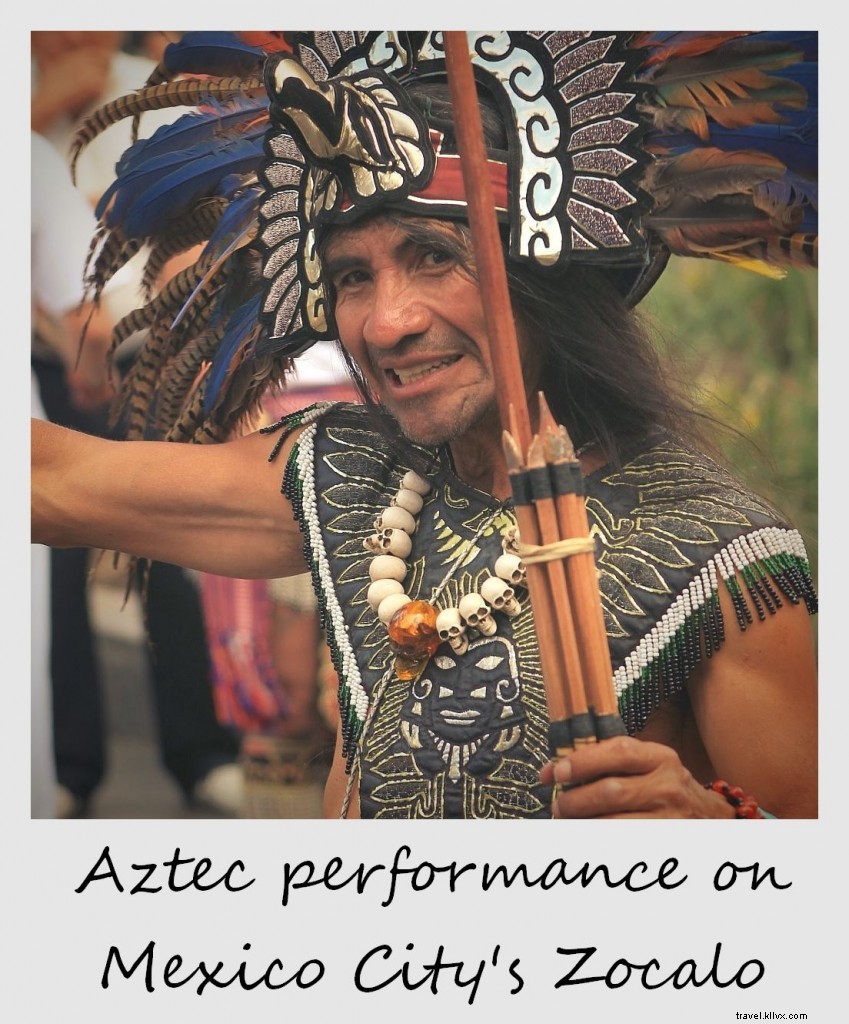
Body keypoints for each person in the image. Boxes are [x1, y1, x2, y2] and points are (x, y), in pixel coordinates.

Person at [31, 31, 818, 820]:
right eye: (352, 276)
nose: (387, 323)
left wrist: (711, 827)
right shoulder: (344, 475)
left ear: (543, 272)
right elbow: (51, 483)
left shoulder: (717, 551)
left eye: (434, 257)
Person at [32, 30, 242, 816]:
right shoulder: (26, 110)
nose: (69, 31)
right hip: (44, 365)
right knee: (48, 567)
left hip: (154, 353)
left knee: (168, 539)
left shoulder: (160, 93)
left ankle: (202, 753)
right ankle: (67, 765)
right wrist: (42, 108)